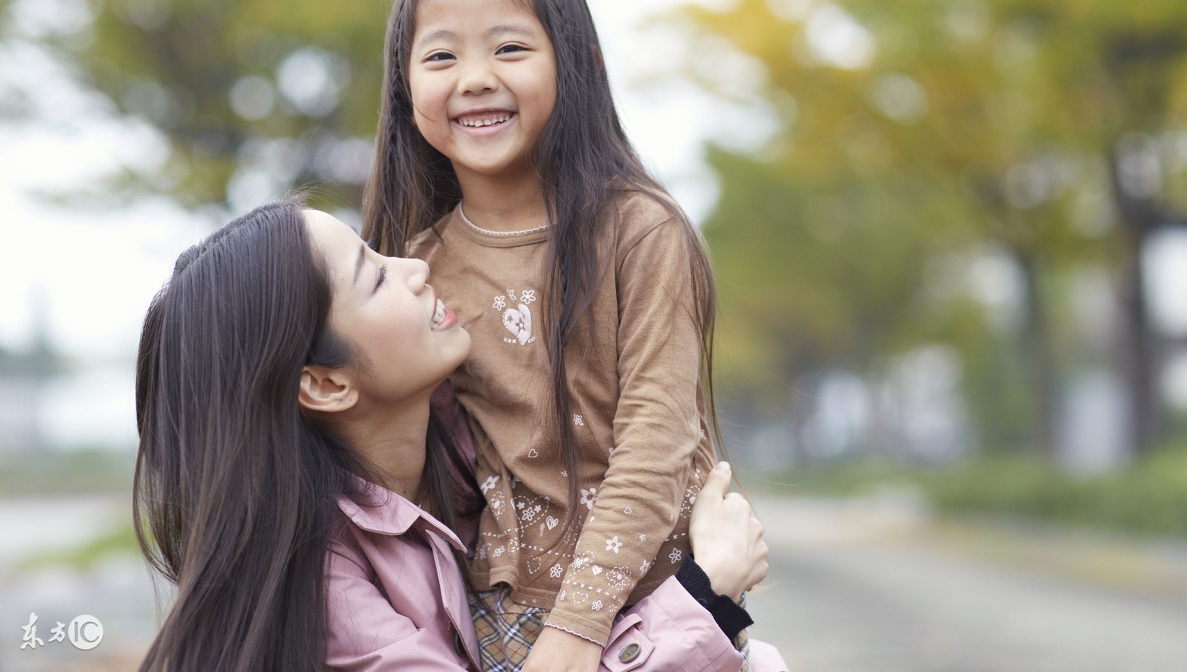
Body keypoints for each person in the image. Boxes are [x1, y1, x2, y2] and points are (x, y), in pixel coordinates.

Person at [361, 0, 774, 671]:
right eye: (441, 55)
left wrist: (578, 628)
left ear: (579, 66)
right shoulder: (414, 269)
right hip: (498, 620)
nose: (476, 78)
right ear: (404, 84)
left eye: (510, 49)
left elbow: (656, 440)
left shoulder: (639, 231)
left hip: (657, 603)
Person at [132, 199, 771, 671]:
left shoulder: (476, 448)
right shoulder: (328, 593)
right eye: (375, 277)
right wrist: (706, 599)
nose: (414, 265)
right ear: (326, 385)